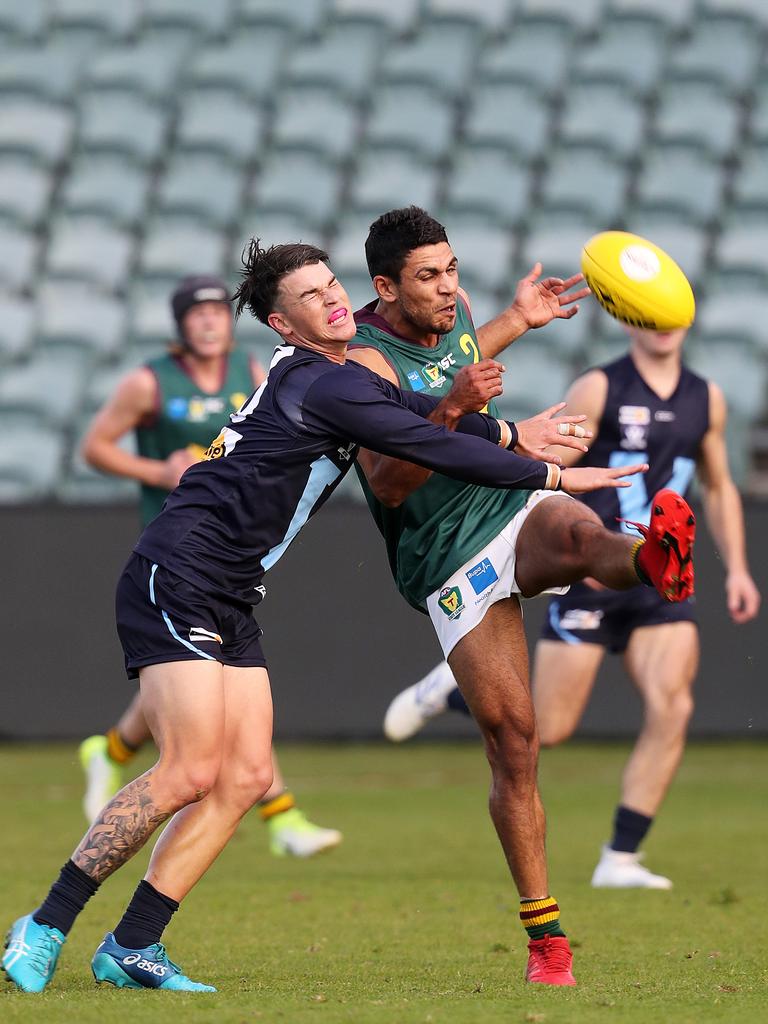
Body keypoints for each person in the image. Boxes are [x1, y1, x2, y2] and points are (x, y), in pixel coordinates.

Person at [3, 242, 646, 995]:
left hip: (233, 590)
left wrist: (509, 431)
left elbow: (422, 414)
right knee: (189, 770)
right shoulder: (317, 381)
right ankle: (44, 925)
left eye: (331, 283)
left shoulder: (343, 379)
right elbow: (423, 440)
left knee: (243, 779)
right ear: (284, 325)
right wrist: (552, 472)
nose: (332, 299)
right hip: (177, 573)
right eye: (309, 296)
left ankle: (134, 943)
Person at [344, 207, 696, 985]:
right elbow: (390, 483)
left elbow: (464, 353)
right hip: (441, 554)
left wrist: (516, 320)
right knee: (516, 744)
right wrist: (460, 409)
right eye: (428, 277)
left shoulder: (460, 312)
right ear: (385, 287)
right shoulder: (364, 366)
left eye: (453, 269)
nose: (448, 288)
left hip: (505, 497)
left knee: (578, 536)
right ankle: (546, 941)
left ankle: (654, 558)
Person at [383, 315, 760, 889]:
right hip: (593, 561)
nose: (662, 328)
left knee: (673, 705)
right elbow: (555, 452)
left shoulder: (705, 397)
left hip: (660, 569)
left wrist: (737, 568)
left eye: (670, 316)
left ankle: (621, 857)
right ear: (631, 317)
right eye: (649, 316)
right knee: (548, 728)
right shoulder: (601, 386)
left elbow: (718, 484)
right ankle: (453, 690)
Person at [77, 274, 342, 858]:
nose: (208, 322)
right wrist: (156, 470)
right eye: (195, 314)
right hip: (177, 543)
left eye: (218, 312)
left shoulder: (257, 372)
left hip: (233, 546)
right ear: (179, 326)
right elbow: (95, 446)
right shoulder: (148, 382)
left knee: (201, 694)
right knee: (209, 709)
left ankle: (113, 752)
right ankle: (283, 817)